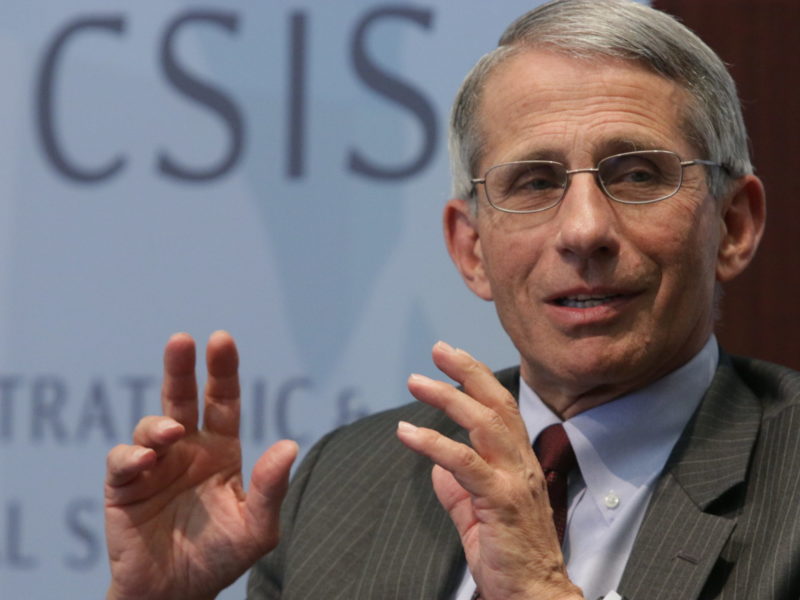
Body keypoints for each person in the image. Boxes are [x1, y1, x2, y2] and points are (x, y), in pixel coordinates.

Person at [104, 0, 800, 598]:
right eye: (533, 182)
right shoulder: (345, 484)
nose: (585, 230)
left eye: (638, 174)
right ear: (471, 249)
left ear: (733, 226)